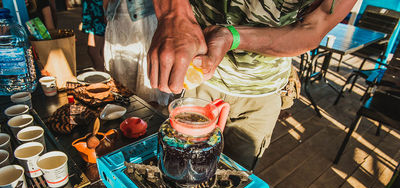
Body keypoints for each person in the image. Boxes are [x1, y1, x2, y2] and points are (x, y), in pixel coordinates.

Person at [147, 0, 357, 170]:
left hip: (261, 96)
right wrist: (174, 15)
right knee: (178, 162)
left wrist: (231, 37)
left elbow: (312, 29)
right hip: (200, 80)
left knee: (233, 174)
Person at [103, 0, 171, 105]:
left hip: (144, 18)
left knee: (147, 77)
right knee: (121, 78)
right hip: (116, 18)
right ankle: (127, 113)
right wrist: (106, 12)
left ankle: (149, 117)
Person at [81, 0, 106, 71]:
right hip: (94, 11)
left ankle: (102, 76)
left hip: (98, 12)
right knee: (101, 51)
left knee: (93, 51)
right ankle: (103, 75)